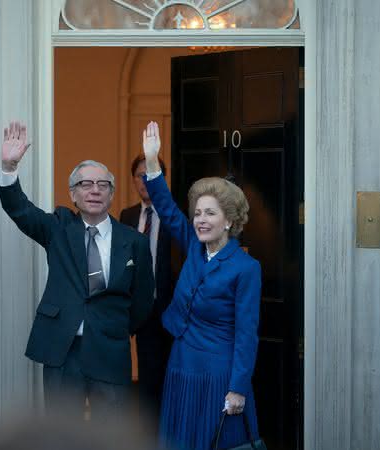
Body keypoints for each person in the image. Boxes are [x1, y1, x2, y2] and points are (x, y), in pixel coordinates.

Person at [0, 121, 155, 420]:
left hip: (109, 348)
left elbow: (143, 301)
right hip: (62, 348)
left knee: (111, 434)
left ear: (111, 194)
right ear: (73, 195)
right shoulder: (58, 229)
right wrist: (9, 168)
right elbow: (20, 210)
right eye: (85, 184)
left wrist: (112, 324)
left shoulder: (133, 242)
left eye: (102, 185)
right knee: (60, 432)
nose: (94, 190)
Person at [141, 121, 262, 450]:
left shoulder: (246, 268)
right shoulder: (194, 246)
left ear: (229, 221)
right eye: (197, 213)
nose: (201, 220)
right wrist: (152, 160)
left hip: (217, 375)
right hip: (181, 366)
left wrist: (238, 387)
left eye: (210, 213)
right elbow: (166, 208)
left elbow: (247, 334)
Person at [119, 154, 174, 422]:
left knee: (169, 375)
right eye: (139, 175)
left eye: (150, 174)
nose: (144, 180)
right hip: (140, 309)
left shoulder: (175, 216)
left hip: (170, 308)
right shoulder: (127, 215)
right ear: (132, 180)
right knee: (146, 375)